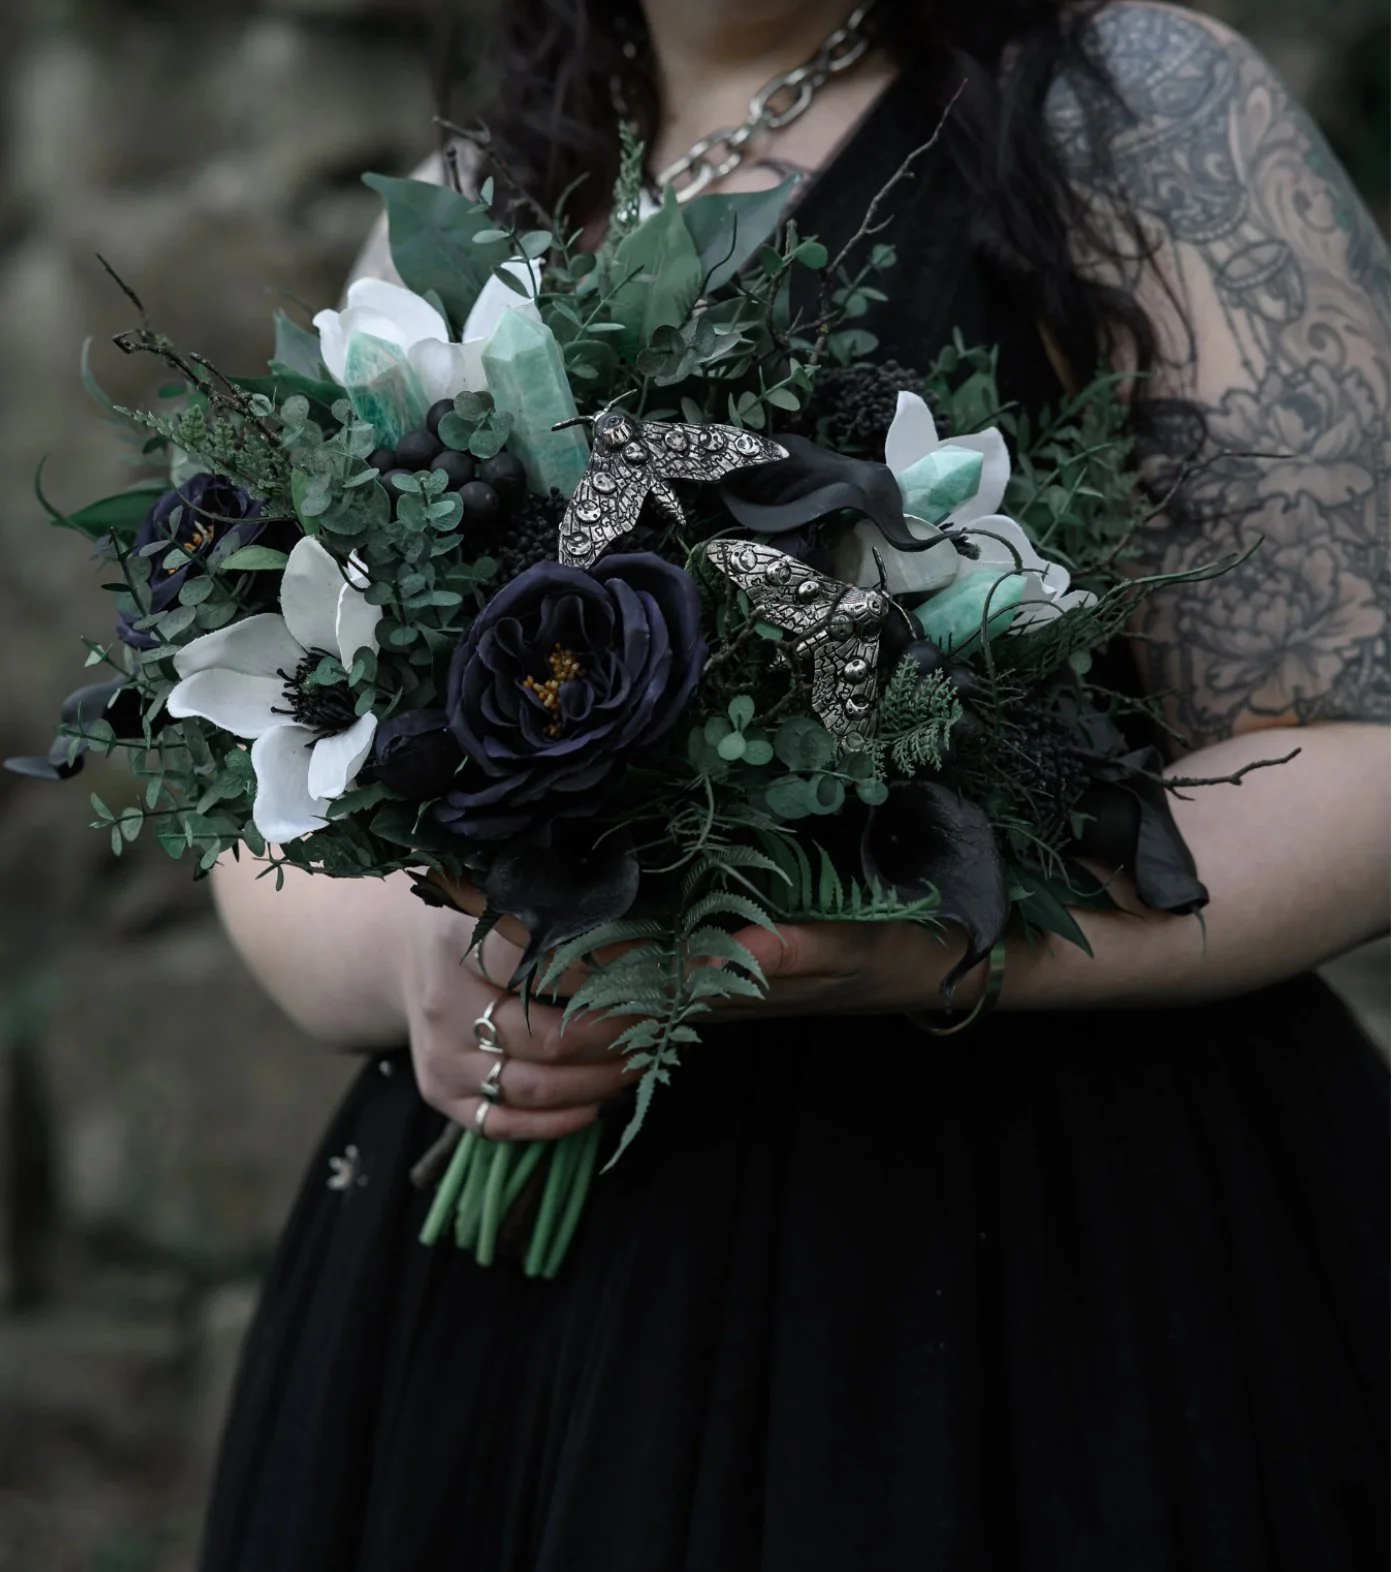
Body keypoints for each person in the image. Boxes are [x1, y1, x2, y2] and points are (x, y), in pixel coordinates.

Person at [199, 2, 1390, 1567]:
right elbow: (275, 816)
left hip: (1042, 1272)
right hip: (528, 1319)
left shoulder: (1121, 107)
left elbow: (1365, 758)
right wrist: (442, 967)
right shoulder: (476, 193)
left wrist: (934, 933)